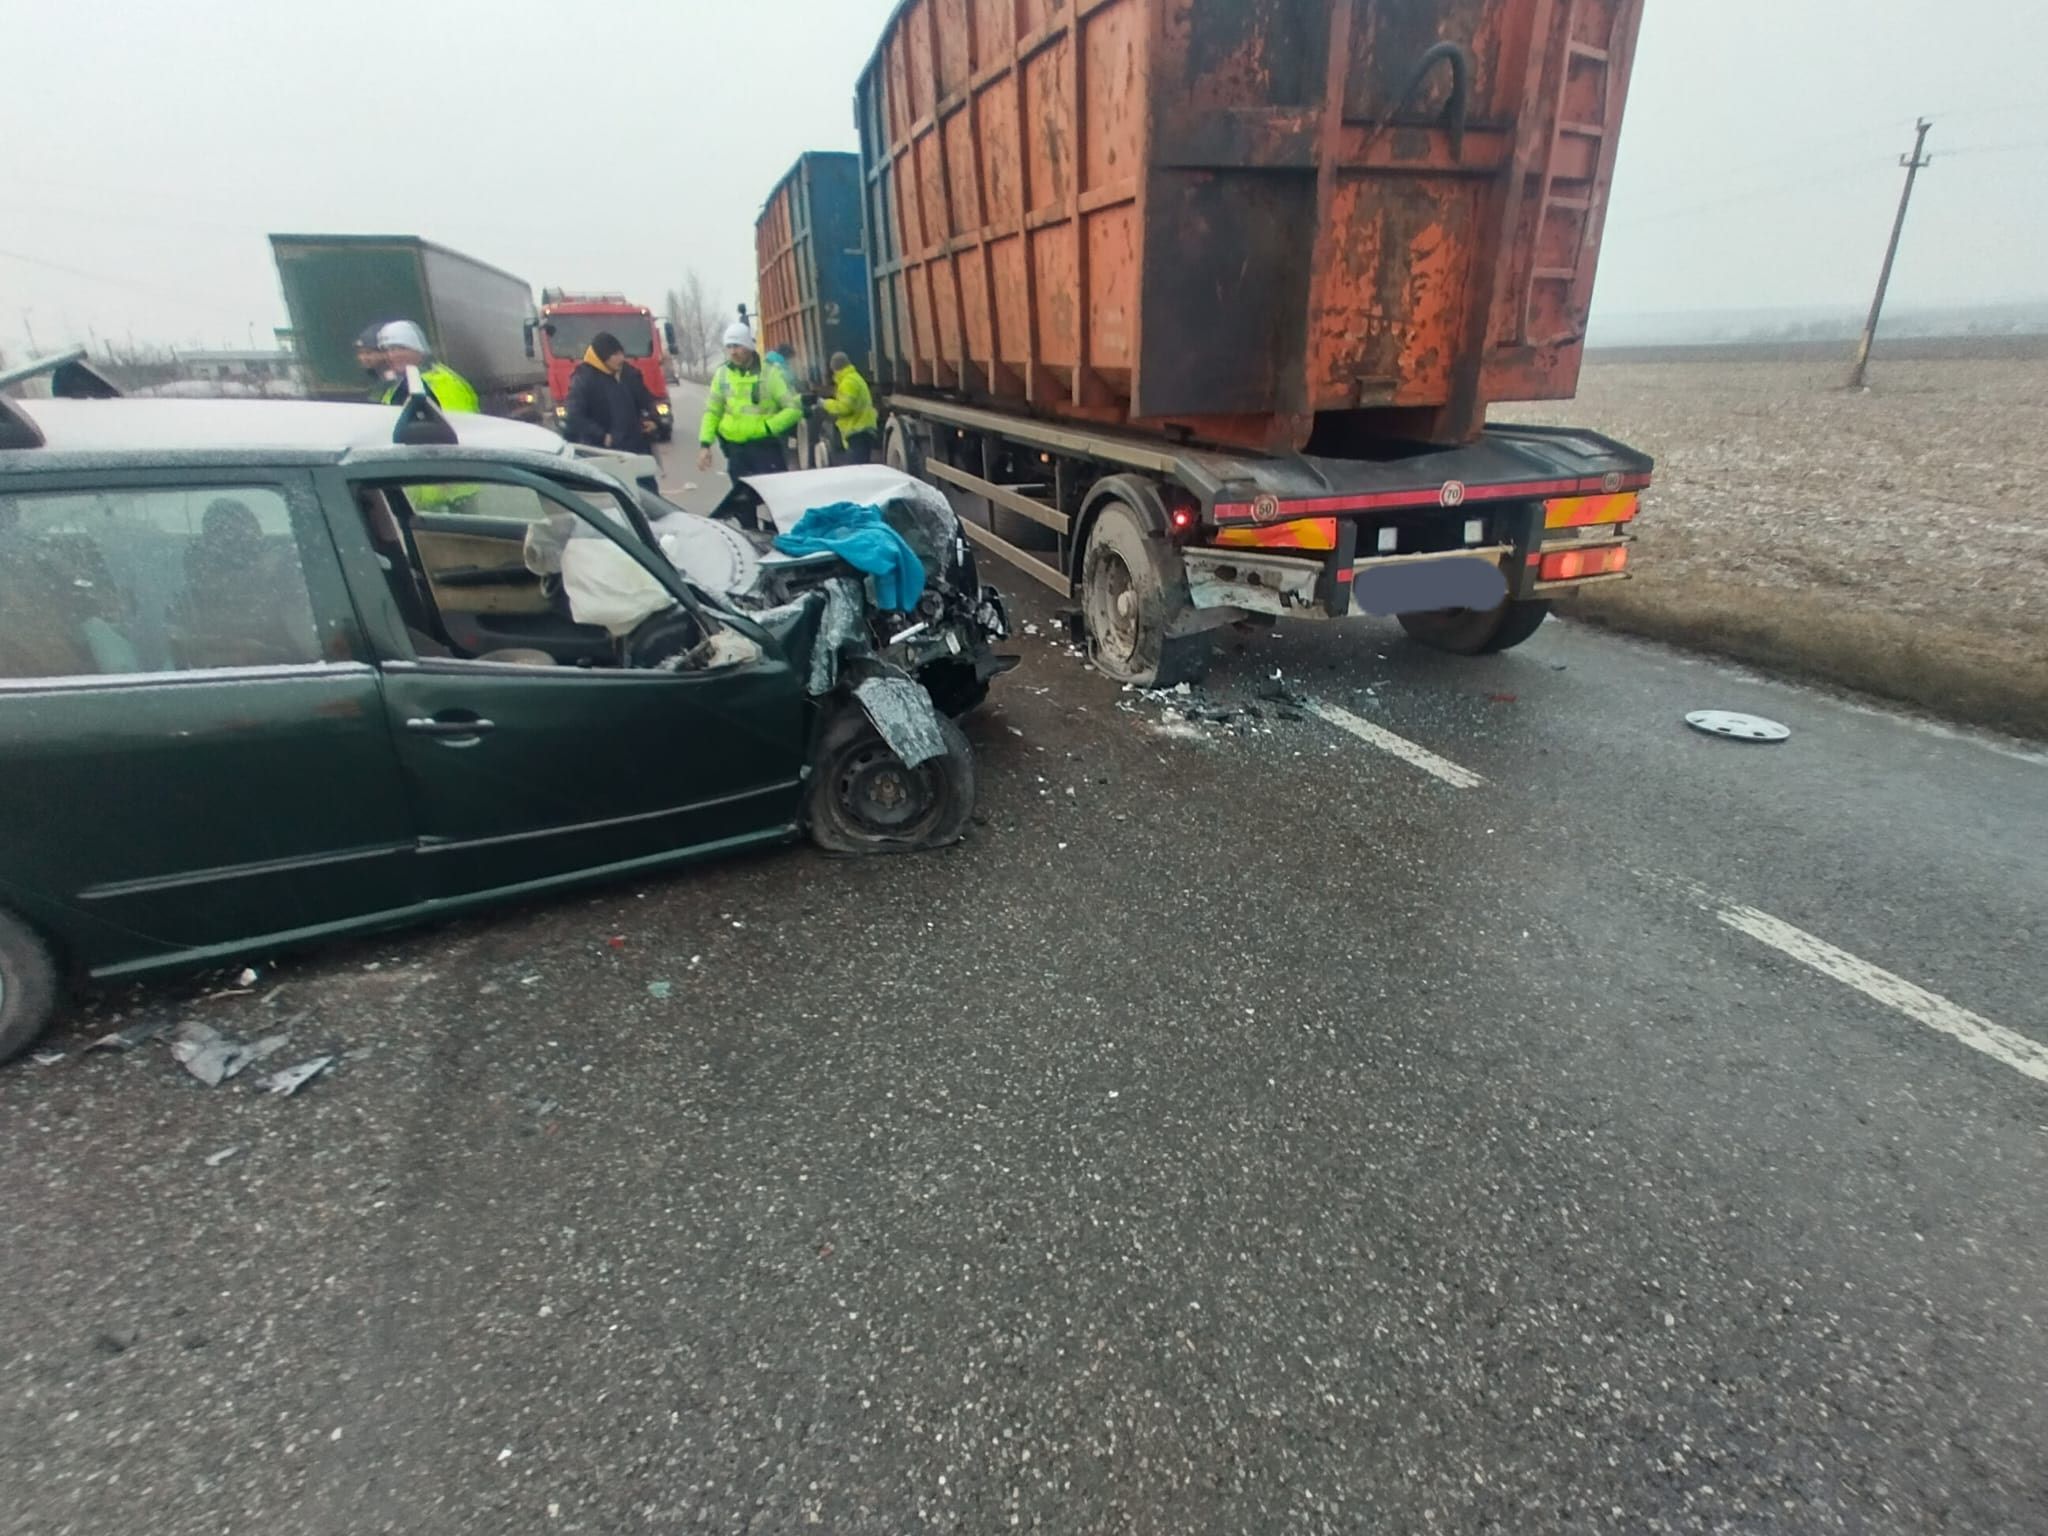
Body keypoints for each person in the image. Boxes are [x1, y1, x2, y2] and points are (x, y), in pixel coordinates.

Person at [696, 321, 800, 481]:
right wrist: (705, 445)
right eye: (729, 347)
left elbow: (794, 409)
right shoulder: (722, 375)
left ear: (748, 346)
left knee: (771, 495)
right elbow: (712, 412)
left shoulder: (770, 373)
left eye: (737, 346)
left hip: (766, 450)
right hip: (736, 453)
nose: (733, 352)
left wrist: (768, 427)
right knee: (742, 497)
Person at [563, 331, 650, 453]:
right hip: (603, 451)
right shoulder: (584, 378)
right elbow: (574, 417)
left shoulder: (628, 372)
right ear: (602, 356)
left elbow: (645, 399)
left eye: (621, 353)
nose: (621, 358)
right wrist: (601, 436)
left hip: (635, 448)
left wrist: (652, 419)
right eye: (615, 354)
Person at [376, 319, 480, 413]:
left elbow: (456, 424)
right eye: (386, 350)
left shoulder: (443, 383)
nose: (390, 356)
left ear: (418, 350)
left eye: (398, 348)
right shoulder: (396, 386)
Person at [820, 350, 880, 465]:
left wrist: (825, 403)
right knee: (863, 466)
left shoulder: (848, 382)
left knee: (857, 467)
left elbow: (845, 408)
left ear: (835, 368)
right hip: (863, 429)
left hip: (857, 431)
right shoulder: (855, 378)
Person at [354, 324, 389, 400]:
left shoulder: (396, 381)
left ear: (385, 352)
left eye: (368, 353)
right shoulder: (372, 378)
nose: (362, 358)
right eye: (360, 353)